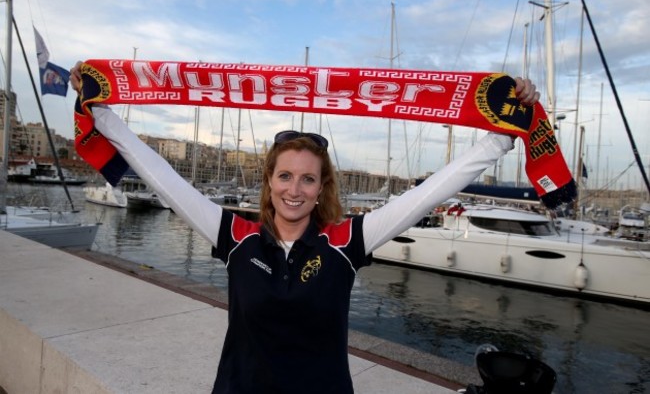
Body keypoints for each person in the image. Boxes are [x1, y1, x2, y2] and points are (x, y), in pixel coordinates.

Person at [71, 63, 539, 394]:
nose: (295, 190)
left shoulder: (347, 241)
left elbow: (430, 193)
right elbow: (161, 176)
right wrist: (101, 111)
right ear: (270, 181)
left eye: (308, 178)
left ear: (321, 188)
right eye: (285, 176)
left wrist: (501, 133)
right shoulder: (234, 236)